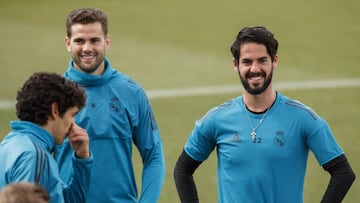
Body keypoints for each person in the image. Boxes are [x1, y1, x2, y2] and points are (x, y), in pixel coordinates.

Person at [173, 26, 356, 203]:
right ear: (235, 64)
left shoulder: (304, 119)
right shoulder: (216, 119)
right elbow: (183, 170)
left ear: (274, 61)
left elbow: (343, 173)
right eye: (247, 61)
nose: (255, 69)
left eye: (262, 60)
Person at [54, 8, 166, 203]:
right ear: (68, 44)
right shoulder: (52, 95)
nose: (87, 48)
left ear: (107, 42)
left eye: (94, 40)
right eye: (79, 40)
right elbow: (37, 159)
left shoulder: (132, 93)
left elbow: (154, 156)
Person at [0, 72, 93, 203]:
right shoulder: (34, 155)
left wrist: (82, 158)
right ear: (55, 110)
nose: (73, 124)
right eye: (72, 115)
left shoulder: (10, 143)